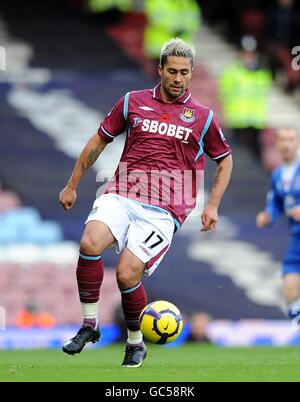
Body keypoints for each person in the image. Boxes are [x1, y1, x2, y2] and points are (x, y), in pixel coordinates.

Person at [59, 38, 233, 368]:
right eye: (172, 71)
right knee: (89, 242)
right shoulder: (132, 102)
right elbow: (100, 140)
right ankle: (88, 325)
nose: (178, 78)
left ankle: (136, 343)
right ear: (160, 69)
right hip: (123, 193)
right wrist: (72, 185)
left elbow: (224, 160)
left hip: (165, 210)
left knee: (126, 275)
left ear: (192, 73)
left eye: (184, 72)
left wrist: (212, 205)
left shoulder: (202, 117)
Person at [256, 127, 300, 326]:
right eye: (282, 140)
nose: (286, 144)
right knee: (290, 293)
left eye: (290, 139)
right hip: (296, 241)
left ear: (297, 143)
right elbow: (275, 204)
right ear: (277, 144)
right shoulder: (278, 174)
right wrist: (268, 216)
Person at [219, 35, 272, 159]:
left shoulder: (262, 72)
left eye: (251, 53)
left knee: (256, 151)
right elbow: (224, 94)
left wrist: (255, 71)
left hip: (255, 118)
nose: (248, 56)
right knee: (236, 151)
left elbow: (265, 88)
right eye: (246, 53)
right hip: (237, 118)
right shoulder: (231, 72)